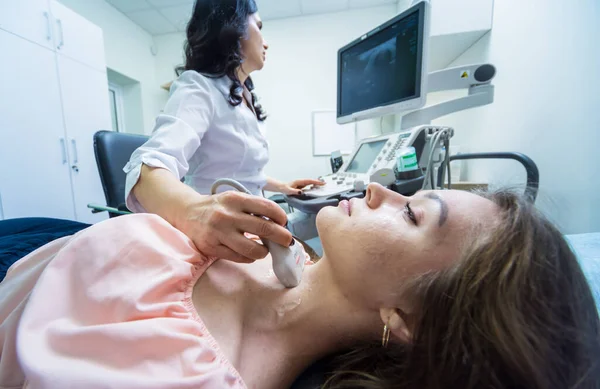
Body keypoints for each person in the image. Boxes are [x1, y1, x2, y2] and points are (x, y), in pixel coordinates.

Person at [1, 183, 598, 389]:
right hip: (40, 237)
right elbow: (150, 177)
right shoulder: (277, 246)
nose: (379, 192)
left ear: (407, 320)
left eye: (413, 214)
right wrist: (190, 207)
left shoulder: (178, 372)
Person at [123, 0, 323, 264]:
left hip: (252, 228)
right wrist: (193, 212)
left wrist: (282, 186)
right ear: (236, 29)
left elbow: (243, 173)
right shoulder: (198, 88)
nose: (266, 42)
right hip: (219, 238)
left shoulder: (243, 96)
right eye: (259, 26)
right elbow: (148, 166)